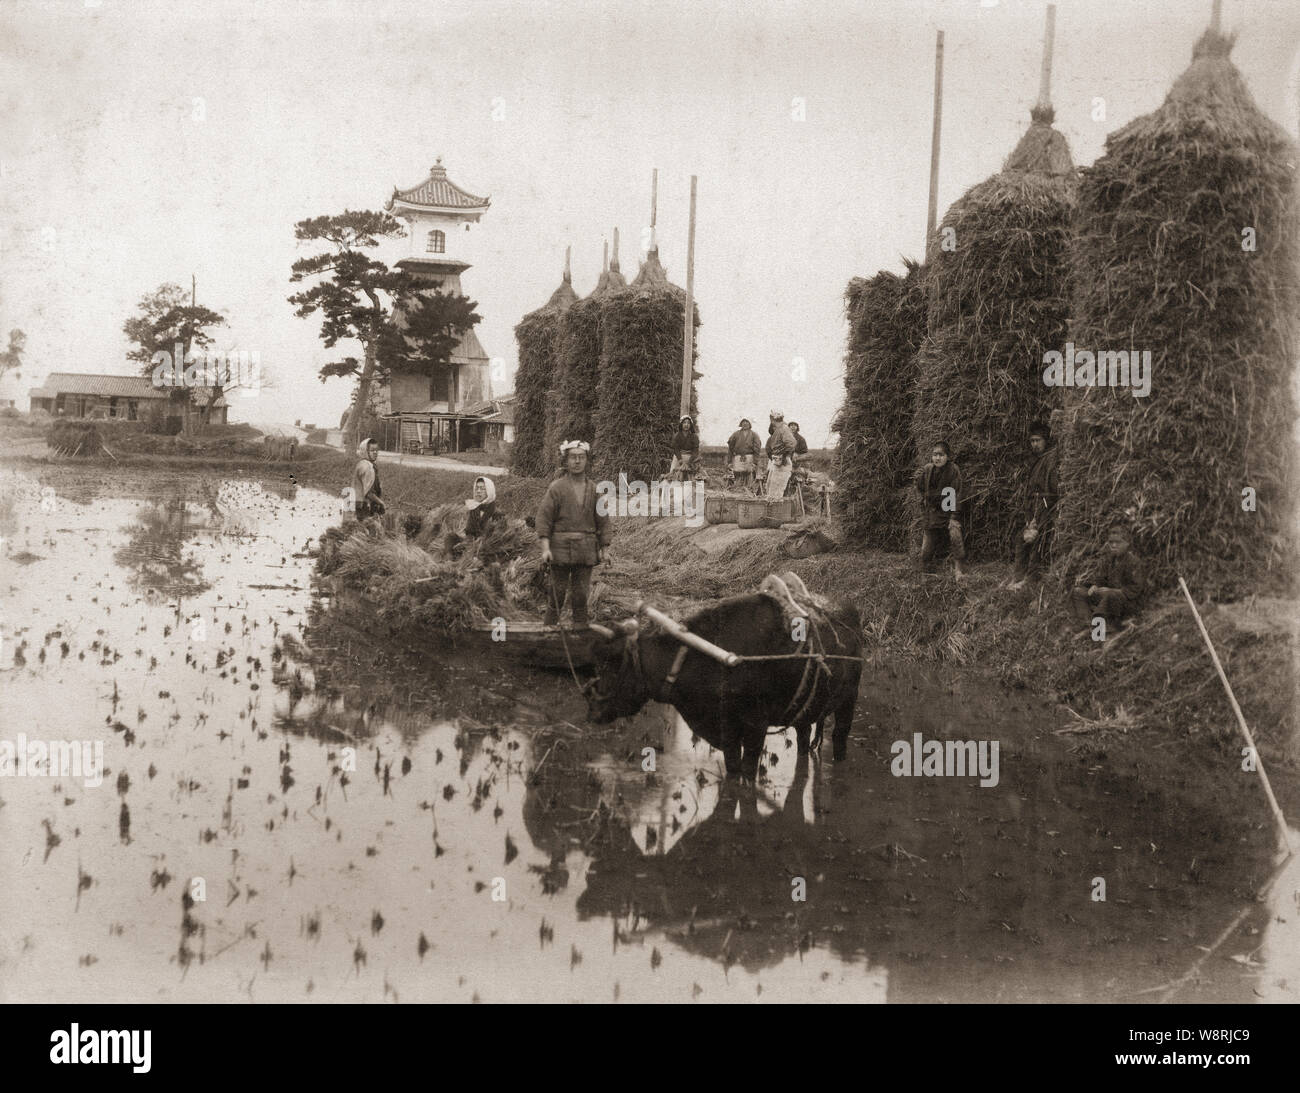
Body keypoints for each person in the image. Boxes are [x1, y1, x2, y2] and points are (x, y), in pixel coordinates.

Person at [536, 440, 611, 628]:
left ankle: (580, 633)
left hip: (585, 550)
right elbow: (544, 519)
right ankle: (548, 631)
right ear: (566, 461)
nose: (577, 461)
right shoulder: (556, 488)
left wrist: (605, 549)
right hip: (559, 549)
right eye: (573, 457)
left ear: (586, 460)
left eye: (581, 457)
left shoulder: (595, 490)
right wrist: (545, 548)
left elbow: (604, 521)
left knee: (580, 594)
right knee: (557, 592)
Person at [1008, 422, 1060, 589]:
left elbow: (1052, 492)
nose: (1035, 444)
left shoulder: (1051, 459)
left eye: (1038, 440)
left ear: (1046, 441)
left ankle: (1030, 579)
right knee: (1021, 538)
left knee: (1038, 538)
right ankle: (1017, 577)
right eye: (1032, 441)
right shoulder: (1038, 460)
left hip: (1046, 510)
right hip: (1035, 509)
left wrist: (1038, 518)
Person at [1070, 522, 1144, 636]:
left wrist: (1114, 591)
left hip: (1124, 603)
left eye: (1118, 542)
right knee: (1078, 591)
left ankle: (1099, 632)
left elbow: (1136, 588)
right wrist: (1095, 586)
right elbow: (1101, 579)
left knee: (1109, 596)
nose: (1113, 545)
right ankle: (1087, 623)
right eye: (1111, 542)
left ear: (1127, 543)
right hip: (1107, 597)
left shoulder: (1134, 562)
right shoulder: (1109, 560)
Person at [915, 441, 966, 578]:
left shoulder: (953, 470)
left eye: (941, 455)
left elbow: (957, 494)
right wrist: (919, 478)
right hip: (932, 513)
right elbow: (920, 488)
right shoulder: (928, 469)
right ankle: (925, 567)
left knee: (955, 533)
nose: (937, 458)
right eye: (934, 455)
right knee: (926, 549)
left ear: (947, 456)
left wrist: (953, 517)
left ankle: (958, 568)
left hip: (948, 511)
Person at [765, 411, 797, 501]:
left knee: (776, 491)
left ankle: (776, 513)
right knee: (771, 487)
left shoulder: (783, 428)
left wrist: (784, 455)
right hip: (778, 460)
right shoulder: (779, 428)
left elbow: (792, 443)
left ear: (772, 419)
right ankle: (772, 511)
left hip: (782, 461)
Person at [351, 438, 385, 520]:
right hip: (364, 506)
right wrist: (382, 503)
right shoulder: (367, 467)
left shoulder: (363, 464)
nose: (375, 453)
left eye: (377, 450)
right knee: (367, 527)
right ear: (365, 451)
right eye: (372, 450)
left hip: (359, 504)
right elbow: (369, 493)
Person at [727, 417, 761, 491]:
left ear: (750, 424)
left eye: (747, 422)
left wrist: (755, 462)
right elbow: (730, 448)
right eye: (743, 422)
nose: (745, 424)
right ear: (741, 424)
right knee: (737, 474)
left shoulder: (754, 435)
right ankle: (737, 489)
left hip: (749, 457)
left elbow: (757, 449)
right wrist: (729, 461)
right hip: (738, 457)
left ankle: (749, 490)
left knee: (750, 474)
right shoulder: (735, 434)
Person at [667, 416, 700, 482]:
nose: (686, 425)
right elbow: (676, 449)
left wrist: (689, 462)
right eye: (684, 423)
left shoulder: (694, 436)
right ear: (681, 424)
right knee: (673, 475)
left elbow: (695, 451)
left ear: (691, 425)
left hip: (690, 458)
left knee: (696, 476)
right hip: (679, 457)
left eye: (688, 423)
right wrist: (680, 460)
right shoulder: (677, 436)